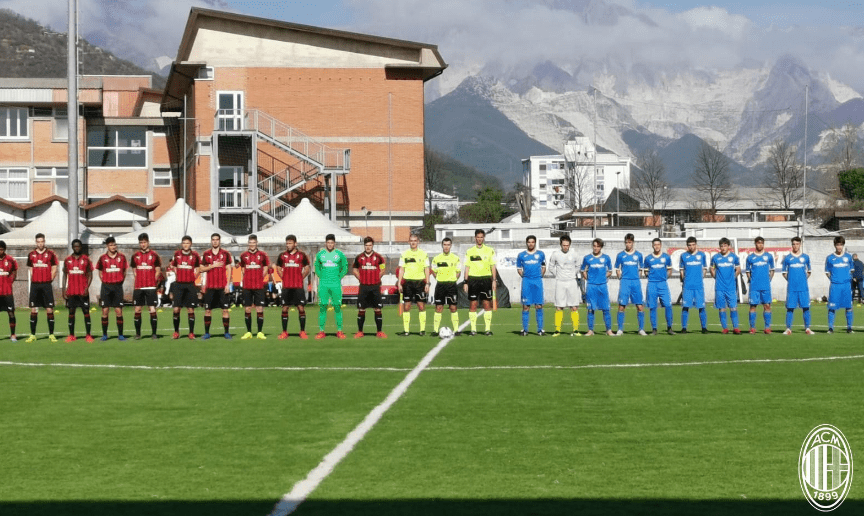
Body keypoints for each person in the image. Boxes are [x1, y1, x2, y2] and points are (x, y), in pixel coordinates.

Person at [276, 234, 311, 339]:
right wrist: (284, 277)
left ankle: (302, 331)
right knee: (285, 308)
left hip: (298, 286)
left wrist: (301, 277)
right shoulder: (282, 255)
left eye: (290, 243)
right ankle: (284, 332)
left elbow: (307, 268)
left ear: (295, 244)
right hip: (286, 286)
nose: (288, 245)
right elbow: (278, 267)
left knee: (301, 308)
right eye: (287, 243)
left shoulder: (302, 255)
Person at [463, 229, 497, 336]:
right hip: (473, 279)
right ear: (475, 238)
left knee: (487, 304)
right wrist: (465, 282)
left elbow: (493, 266)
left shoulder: (490, 250)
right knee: (473, 304)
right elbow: (467, 267)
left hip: (486, 279)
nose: (479, 239)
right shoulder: (469, 251)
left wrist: (494, 280)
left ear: (484, 238)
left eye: (481, 237)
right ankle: (473, 329)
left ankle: (487, 329)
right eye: (478, 237)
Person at [314, 233, 348, 339]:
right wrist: (321, 276)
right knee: (323, 306)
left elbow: (345, 267)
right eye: (328, 242)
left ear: (334, 243)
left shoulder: (340, 254)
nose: (330, 244)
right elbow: (316, 267)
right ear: (325, 243)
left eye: (331, 242)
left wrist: (339, 277)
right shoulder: (320, 254)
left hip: (335, 284)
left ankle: (339, 331)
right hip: (323, 284)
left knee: (337, 307)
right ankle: (321, 331)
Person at [199, 233, 233, 340]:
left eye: (217, 239)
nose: (215, 241)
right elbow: (201, 269)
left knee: (225, 310)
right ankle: (207, 333)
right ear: (211, 241)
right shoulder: (206, 254)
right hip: (210, 287)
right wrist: (212, 266)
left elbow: (229, 269)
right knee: (208, 310)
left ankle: (226, 333)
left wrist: (228, 285)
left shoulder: (225, 254)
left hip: (222, 287)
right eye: (213, 239)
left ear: (219, 241)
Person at [26, 233, 59, 342]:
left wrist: (50, 279)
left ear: (44, 242)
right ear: (36, 242)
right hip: (35, 285)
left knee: (49, 309)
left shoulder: (51, 254)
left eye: (42, 241)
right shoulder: (31, 254)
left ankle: (51, 334)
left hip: (46, 285)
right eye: (38, 242)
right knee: (34, 309)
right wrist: (34, 278)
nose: (40, 244)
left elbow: (54, 268)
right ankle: (32, 335)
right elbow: (31, 268)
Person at [352, 236, 387, 338]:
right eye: (366, 245)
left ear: (372, 246)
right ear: (364, 246)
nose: (368, 247)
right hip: (364, 287)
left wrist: (376, 278)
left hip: (375, 287)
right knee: (361, 309)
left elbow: (383, 270)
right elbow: (354, 270)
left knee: (378, 309)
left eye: (370, 245)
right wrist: (360, 278)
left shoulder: (379, 257)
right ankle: (360, 332)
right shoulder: (359, 257)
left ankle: (379, 332)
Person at [130, 233, 162, 340]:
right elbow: (134, 269)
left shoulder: (154, 255)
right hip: (139, 287)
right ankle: (138, 334)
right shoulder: (135, 256)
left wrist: (153, 281)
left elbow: (158, 270)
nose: (143, 244)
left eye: (144, 242)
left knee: (152, 309)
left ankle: (154, 334)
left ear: (148, 242)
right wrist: (138, 279)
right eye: (141, 242)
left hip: (150, 287)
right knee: (137, 309)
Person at [95, 236, 128, 341]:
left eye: (114, 244)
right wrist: (105, 281)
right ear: (107, 246)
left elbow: (124, 271)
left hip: (118, 286)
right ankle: (105, 334)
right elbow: (100, 272)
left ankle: (120, 335)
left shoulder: (122, 257)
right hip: (106, 287)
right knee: (105, 311)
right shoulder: (102, 258)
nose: (113, 247)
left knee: (118, 311)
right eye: (110, 245)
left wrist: (120, 281)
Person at [548, 235, 581, 336]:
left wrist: (572, 274)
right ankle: (557, 330)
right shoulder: (555, 254)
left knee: (574, 306)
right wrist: (558, 275)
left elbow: (578, 266)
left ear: (570, 245)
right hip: (560, 282)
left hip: (572, 282)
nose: (565, 247)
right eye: (564, 245)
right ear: (560, 244)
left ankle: (576, 330)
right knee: (559, 306)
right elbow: (551, 267)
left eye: (567, 245)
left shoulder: (575, 254)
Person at [397, 234, 430, 336]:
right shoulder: (404, 254)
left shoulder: (423, 254)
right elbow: (401, 269)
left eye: (415, 240)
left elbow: (427, 269)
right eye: (411, 241)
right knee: (406, 306)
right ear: (409, 242)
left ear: (418, 242)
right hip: (408, 283)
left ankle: (422, 330)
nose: (413, 242)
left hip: (420, 282)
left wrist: (427, 283)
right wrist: (399, 283)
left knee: (421, 306)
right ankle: (406, 331)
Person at [169, 235, 201, 339]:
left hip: (190, 285)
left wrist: (195, 276)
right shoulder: (177, 254)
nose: (185, 245)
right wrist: (176, 272)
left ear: (191, 244)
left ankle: (191, 333)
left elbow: (198, 267)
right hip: (179, 285)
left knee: (190, 309)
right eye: (184, 243)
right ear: (181, 244)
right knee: (176, 309)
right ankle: (176, 332)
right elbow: (173, 265)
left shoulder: (195, 255)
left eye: (187, 243)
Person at [580, 238, 614, 337]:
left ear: (601, 247)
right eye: (594, 246)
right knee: (590, 309)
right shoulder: (587, 258)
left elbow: (610, 271)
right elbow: (583, 270)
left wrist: (603, 277)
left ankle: (609, 330)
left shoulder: (606, 258)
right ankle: (590, 330)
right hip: (591, 286)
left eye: (598, 246)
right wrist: (588, 279)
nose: (595, 248)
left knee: (606, 309)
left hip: (602, 286)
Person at [239, 234, 270, 340]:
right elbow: (243, 268)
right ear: (248, 243)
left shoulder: (263, 255)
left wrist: (261, 277)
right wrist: (247, 276)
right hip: (247, 285)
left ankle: (260, 332)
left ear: (257, 243)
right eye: (250, 243)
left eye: (254, 242)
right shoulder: (243, 255)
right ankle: (249, 332)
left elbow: (266, 266)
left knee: (259, 308)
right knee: (247, 308)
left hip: (259, 286)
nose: (252, 244)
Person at [614, 233, 646, 336]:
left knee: (640, 306)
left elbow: (641, 269)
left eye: (630, 242)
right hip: (625, 282)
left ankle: (641, 329)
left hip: (635, 282)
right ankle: (620, 329)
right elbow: (617, 269)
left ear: (633, 243)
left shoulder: (639, 255)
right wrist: (621, 278)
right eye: (626, 242)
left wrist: (637, 277)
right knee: (621, 306)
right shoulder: (620, 255)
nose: (628, 244)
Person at [63, 239, 94, 342]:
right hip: (71, 291)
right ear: (72, 247)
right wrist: (63, 289)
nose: (77, 248)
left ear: (81, 247)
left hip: (82, 291)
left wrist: (87, 288)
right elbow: (64, 275)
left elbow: (90, 275)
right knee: (71, 312)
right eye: (75, 246)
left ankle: (88, 335)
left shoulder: (86, 259)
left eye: (78, 246)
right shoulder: (67, 260)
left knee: (86, 312)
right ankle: (71, 335)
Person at [642, 238, 675, 335]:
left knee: (668, 305)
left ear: (661, 245)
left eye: (658, 244)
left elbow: (669, 270)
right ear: (652, 246)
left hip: (663, 284)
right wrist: (651, 278)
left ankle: (669, 328)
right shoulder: (648, 258)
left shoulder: (666, 257)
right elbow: (646, 271)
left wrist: (664, 278)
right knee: (652, 307)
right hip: (652, 284)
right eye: (655, 244)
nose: (656, 246)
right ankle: (654, 329)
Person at [781, 236, 813, 335]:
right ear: (792, 245)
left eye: (797, 244)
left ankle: (807, 328)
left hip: (803, 288)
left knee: (806, 307)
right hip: (792, 288)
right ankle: (788, 329)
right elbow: (784, 273)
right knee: (790, 308)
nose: (795, 246)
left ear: (800, 245)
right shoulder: (787, 258)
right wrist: (791, 280)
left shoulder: (806, 257)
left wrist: (802, 279)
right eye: (794, 244)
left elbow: (809, 271)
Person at [430, 237, 461, 336]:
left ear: (451, 246)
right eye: (444, 245)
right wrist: (439, 278)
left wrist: (453, 279)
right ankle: (435, 331)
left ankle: (456, 330)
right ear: (442, 246)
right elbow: (433, 271)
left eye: (448, 245)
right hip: (440, 285)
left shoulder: (455, 258)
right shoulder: (436, 258)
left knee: (453, 307)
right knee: (439, 307)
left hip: (452, 285)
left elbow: (458, 272)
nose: (446, 247)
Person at [710, 237, 741, 335]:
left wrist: (733, 277)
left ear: (729, 246)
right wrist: (716, 277)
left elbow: (738, 269)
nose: (723, 248)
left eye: (725, 246)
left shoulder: (734, 257)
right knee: (722, 307)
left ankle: (736, 328)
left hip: (731, 287)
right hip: (719, 287)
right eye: (721, 246)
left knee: (733, 307)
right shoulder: (715, 257)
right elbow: (712, 269)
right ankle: (725, 328)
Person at [517, 235, 546, 336]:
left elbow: (543, 267)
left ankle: (540, 330)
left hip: (537, 281)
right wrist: (525, 277)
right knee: (526, 306)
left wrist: (539, 276)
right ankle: (525, 330)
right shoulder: (521, 255)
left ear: (535, 243)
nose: (531, 244)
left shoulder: (541, 254)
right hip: (527, 282)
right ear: (526, 243)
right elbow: (519, 269)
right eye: (529, 242)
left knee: (539, 306)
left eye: (532, 242)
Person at [679, 236, 709, 334]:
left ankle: (704, 328)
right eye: (689, 245)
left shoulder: (702, 255)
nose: (691, 247)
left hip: (698, 286)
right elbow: (681, 270)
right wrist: (684, 280)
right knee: (685, 306)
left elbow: (705, 268)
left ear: (696, 245)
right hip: (687, 286)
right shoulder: (683, 256)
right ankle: (684, 328)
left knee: (701, 307)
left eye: (693, 245)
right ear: (687, 246)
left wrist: (701, 278)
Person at [825, 235, 854, 333]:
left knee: (849, 307)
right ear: (835, 245)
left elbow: (852, 270)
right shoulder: (830, 258)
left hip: (846, 285)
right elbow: (827, 272)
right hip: (835, 285)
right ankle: (830, 328)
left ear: (843, 245)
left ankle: (849, 328)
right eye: (837, 245)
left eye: (841, 245)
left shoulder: (848, 257)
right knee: (832, 307)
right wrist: (834, 279)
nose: (839, 247)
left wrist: (847, 279)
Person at [745, 236, 774, 334]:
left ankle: (767, 327)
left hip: (765, 286)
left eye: (762, 243)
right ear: (755, 244)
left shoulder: (769, 256)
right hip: (754, 287)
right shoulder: (750, 257)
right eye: (758, 243)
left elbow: (772, 270)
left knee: (767, 306)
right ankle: (752, 327)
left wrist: (768, 280)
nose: (760, 245)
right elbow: (747, 271)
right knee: (753, 306)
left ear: (763, 244)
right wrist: (751, 280)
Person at [0, 241, 19, 341]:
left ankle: (13, 334)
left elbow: (15, 271)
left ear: (4, 249)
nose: (0, 251)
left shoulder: (10, 259)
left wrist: (10, 281)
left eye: (1, 249)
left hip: (7, 292)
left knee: (11, 313)